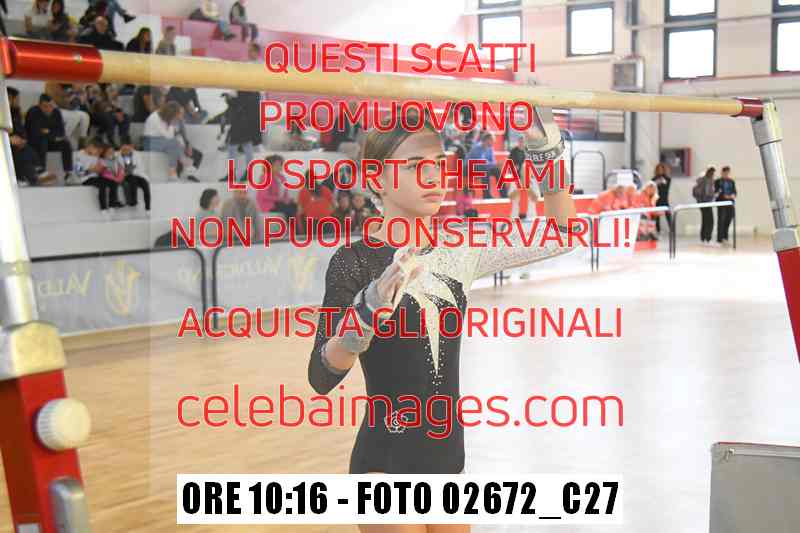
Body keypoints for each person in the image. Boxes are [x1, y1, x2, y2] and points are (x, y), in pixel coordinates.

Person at [307, 107, 576, 525]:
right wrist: (364, 316)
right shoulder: (353, 262)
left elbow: (563, 235)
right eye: (415, 165)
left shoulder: (458, 252)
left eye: (438, 164)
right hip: (384, 462)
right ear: (377, 178)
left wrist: (546, 150)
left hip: (447, 458)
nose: (433, 177)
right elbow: (321, 377)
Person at [8, 87, 56, 186]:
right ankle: (28, 176)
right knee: (17, 150)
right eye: (16, 99)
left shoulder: (15, 112)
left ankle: (34, 174)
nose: (18, 101)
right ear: (9, 98)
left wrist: (22, 139)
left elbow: (20, 129)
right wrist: (9, 139)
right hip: (4, 142)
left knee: (26, 148)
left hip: (15, 142)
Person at [25, 94, 74, 183]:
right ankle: (41, 171)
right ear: (39, 106)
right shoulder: (33, 112)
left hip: (51, 141)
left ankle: (68, 172)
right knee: (42, 141)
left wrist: (47, 132)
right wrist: (51, 133)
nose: (48, 109)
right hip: (35, 142)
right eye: (45, 106)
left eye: (51, 106)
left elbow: (61, 132)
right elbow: (34, 132)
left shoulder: (56, 112)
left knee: (65, 143)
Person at [75, 138, 122, 213]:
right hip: (86, 179)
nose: (97, 152)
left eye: (98, 150)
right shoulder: (79, 155)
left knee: (113, 182)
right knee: (102, 184)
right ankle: (103, 208)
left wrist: (102, 169)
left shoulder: (97, 155)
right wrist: (90, 170)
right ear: (90, 146)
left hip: (98, 177)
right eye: (96, 150)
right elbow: (78, 173)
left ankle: (112, 205)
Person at [142, 101, 184, 181]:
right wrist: (173, 123)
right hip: (150, 142)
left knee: (176, 144)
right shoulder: (155, 118)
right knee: (175, 144)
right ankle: (177, 168)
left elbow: (171, 135)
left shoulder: (165, 118)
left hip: (161, 141)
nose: (177, 118)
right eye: (176, 116)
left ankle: (175, 170)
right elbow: (168, 136)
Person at [44, 82, 91, 148]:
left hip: (68, 109)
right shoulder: (52, 85)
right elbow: (60, 102)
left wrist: (76, 95)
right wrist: (69, 96)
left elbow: (79, 101)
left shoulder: (73, 86)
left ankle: (82, 140)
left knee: (85, 116)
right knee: (74, 117)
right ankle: (63, 139)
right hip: (55, 109)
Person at [226, 89, 261, 176]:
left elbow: (238, 105)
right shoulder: (255, 94)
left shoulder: (244, 93)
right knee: (246, 147)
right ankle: (247, 172)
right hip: (248, 125)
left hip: (240, 125)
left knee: (233, 149)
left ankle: (233, 173)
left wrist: (229, 99)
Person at [255, 155, 297, 220]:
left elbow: (285, 193)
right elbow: (264, 196)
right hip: (268, 204)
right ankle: (294, 226)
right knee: (289, 209)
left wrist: (288, 199)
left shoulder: (282, 177)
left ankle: (303, 226)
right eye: (276, 165)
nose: (279, 167)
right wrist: (281, 199)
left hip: (279, 203)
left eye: (280, 165)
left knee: (296, 206)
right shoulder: (265, 178)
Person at [298, 170, 335, 235]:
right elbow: (300, 210)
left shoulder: (325, 190)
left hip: (324, 221)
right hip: (314, 222)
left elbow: (333, 206)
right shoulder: (303, 192)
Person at [466, 132, 501, 198]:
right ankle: (486, 195)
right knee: (485, 170)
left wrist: (494, 165)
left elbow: (492, 161)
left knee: (497, 170)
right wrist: (492, 164)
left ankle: (504, 195)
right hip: (471, 168)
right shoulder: (477, 148)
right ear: (487, 140)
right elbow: (481, 162)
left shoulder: (490, 148)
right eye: (492, 141)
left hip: (483, 167)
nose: (493, 143)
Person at [118, 144, 151, 212]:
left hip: (139, 175)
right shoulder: (120, 157)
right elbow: (125, 169)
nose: (126, 151)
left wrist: (131, 169)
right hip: (128, 176)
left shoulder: (136, 155)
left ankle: (148, 208)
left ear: (131, 148)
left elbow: (140, 167)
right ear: (121, 150)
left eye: (127, 149)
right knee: (133, 180)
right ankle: (133, 201)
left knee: (145, 185)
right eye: (124, 149)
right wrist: (129, 170)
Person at [693, 166, 716, 244]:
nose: (712, 173)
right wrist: (700, 199)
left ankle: (706, 237)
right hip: (702, 201)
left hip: (708, 201)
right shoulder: (702, 179)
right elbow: (697, 190)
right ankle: (705, 237)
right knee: (707, 219)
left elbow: (711, 190)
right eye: (710, 171)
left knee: (708, 220)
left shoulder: (711, 180)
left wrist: (712, 196)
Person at [715, 166, 737, 245]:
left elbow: (734, 191)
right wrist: (724, 196)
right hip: (721, 203)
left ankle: (725, 237)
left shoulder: (731, 181)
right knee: (721, 220)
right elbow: (716, 192)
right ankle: (719, 239)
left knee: (728, 219)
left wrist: (733, 195)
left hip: (730, 203)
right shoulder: (718, 181)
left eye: (728, 172)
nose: (726, 174)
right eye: (725, 172)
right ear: (722, 172)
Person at [653, 162, 672, 234]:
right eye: (659, 169)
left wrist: (660, 181)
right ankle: (658, 231)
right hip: (657, 200)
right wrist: (657, 182)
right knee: (657, 217)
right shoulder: (654, 179)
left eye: (661, 169)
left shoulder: (667, 178)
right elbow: (652, 185)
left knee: (668, 215)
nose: (660, 171)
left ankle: (672, 230)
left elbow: (666, 184)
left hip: (665, 199)